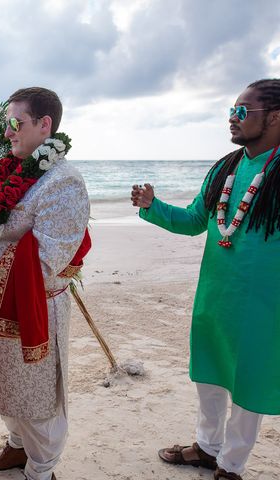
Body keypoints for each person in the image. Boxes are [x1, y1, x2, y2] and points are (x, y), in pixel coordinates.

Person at [131, 79, 280, 480]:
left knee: (250, 383)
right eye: (232, 110)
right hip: (216, 295)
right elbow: (196, 221)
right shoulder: (225, 168)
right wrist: (152, 206)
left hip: (266, 303)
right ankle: (207, 448)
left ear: (276, 118)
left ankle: (231, 465)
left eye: (243, 111)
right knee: (210, 375)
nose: (233, 118)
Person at [0, 87, 90, 480]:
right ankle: (16, 448)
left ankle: (41, 470)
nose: (8, 132)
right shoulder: (15, 168)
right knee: (7, 384)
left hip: (32, 303)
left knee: (36, 395)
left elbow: (47, 258)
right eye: (6, 123)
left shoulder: (64, 181)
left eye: (16, 123)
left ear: (45, 125)